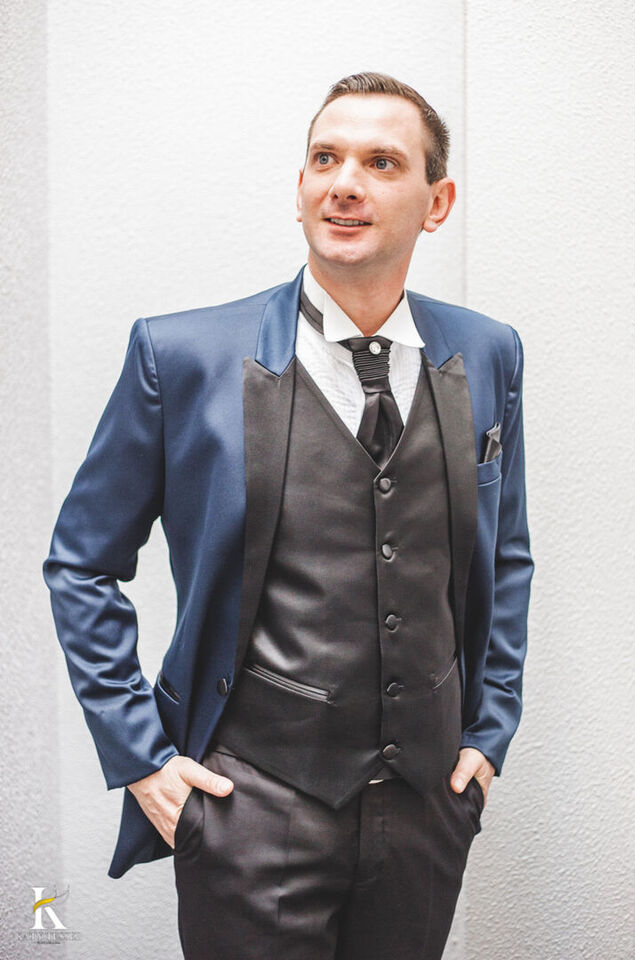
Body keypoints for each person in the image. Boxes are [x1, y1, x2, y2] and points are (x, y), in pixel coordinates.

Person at [43, 71, 534, 960]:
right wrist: (142, 758)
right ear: (300, 186)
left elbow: (505, 559)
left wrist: (489, 735)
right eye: (325, 158)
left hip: (428, 810)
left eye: (382, 162)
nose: (344, 183)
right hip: (250, 809)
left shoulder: (489, 352)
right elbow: (81, 563)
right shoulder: (181, 356)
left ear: (437, 202)